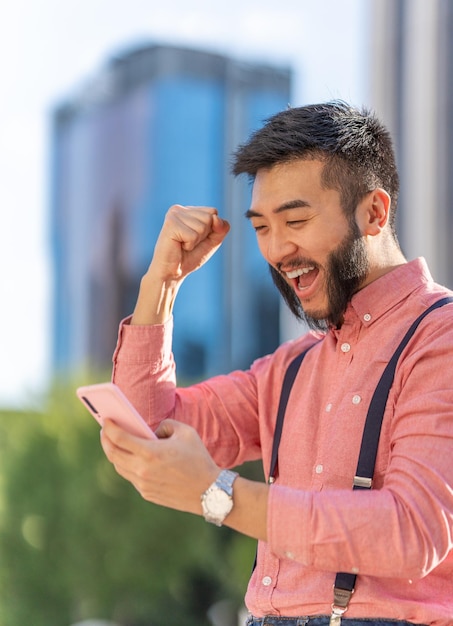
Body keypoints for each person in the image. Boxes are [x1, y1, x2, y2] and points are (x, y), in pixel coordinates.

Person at [100, 101, 453, 626]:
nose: (278, 249)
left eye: (296, 219)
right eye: (262, 227)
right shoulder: (287, 370)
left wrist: (219, 495)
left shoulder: (439, 338)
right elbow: (148, 429)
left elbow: (410, 530)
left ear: (374, 213)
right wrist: (163, 283)